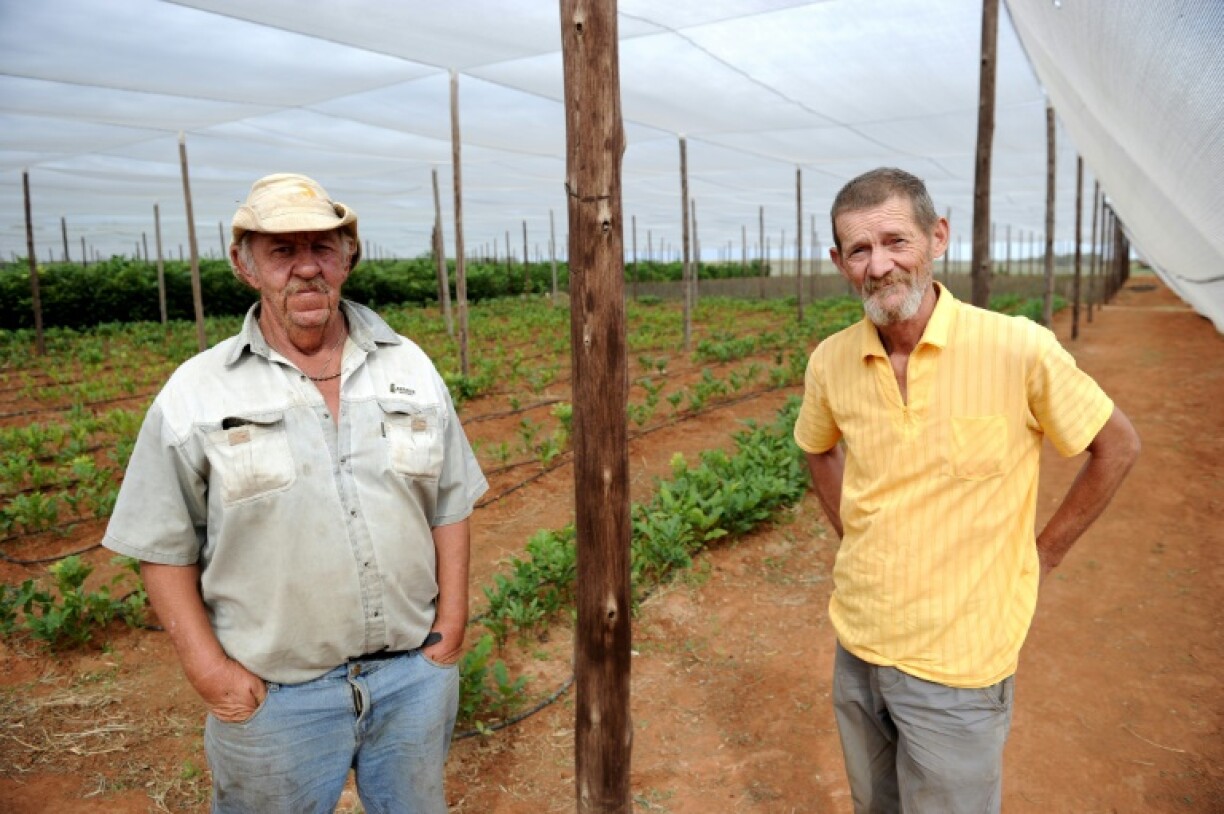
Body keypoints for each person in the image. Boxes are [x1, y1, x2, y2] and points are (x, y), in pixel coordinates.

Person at [103, 173, 487, 813]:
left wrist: (450, 628)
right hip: (274, 698)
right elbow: (162, 544)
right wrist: (212, 675)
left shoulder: (410, 366)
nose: (306, 268)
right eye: (282, 251)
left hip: (412, 680)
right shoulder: (198, 392)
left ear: (347, 258)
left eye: (323, 248)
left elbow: (449, 501)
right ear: (245, 264)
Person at [794, 167, 1140, 813]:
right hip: (859, 642)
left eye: (897, 241)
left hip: (960, 656)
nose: (879, 266)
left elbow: (1116, 446)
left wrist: (1045, 554)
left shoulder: (1016, 348)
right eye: (859, 250)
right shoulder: (831, 361)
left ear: (938, 237)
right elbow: (817, 447)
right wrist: (855, 533)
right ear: (839, 262)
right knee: (878, 804)